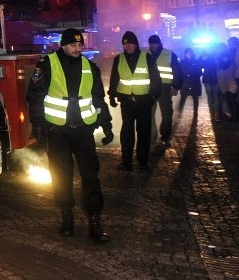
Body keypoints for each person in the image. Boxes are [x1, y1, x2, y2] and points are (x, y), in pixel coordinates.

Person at [27, 28, 111, 242]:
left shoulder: (89, 67)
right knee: (61, 175)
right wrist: (38, 125)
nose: (78, 49)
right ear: (63, 45)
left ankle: (94, 220)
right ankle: (67, 216)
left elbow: (98, 98)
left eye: (80, 45)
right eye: (73, 45)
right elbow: (35, 96)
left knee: (91, 176)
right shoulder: (46, 65)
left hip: (83, 130)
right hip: (58, 130)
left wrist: (106, 124)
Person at [108, 31, 163, 172]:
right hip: (126, 102)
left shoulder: (147, 58)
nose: (128, 46)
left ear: (136, 44)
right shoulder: (118, 59)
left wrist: (152, 97)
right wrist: (112, 95)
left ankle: (142, 162)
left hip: (144, 101)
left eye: (131, 43)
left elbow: (156, 79)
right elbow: (114, 79)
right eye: (125, 44)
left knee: (144, 132)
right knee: (127, 132)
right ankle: (126, 163)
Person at [147, 35, 182, 146]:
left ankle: (165, 135)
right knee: (149, 114)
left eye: (154, 43)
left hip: (164, 88)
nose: (152, 45)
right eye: (150, 43)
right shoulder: (146, 55)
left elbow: (177, 71)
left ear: (158, 43)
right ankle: (152, 137)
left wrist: (176, 87)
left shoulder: (169, 54)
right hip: (150, 88)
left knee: (167, 114)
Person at [178, 48, 203, 113]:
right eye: (187, 53)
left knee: (195, 97)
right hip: (185, 82)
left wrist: (194, 75)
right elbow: (179, 72)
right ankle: (180, 110)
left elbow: (199, 72)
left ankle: (195, 111)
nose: (189, 55)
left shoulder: (196, 62)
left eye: (190, 53)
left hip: (194, 82)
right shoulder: (182, 62)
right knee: (183, 96)